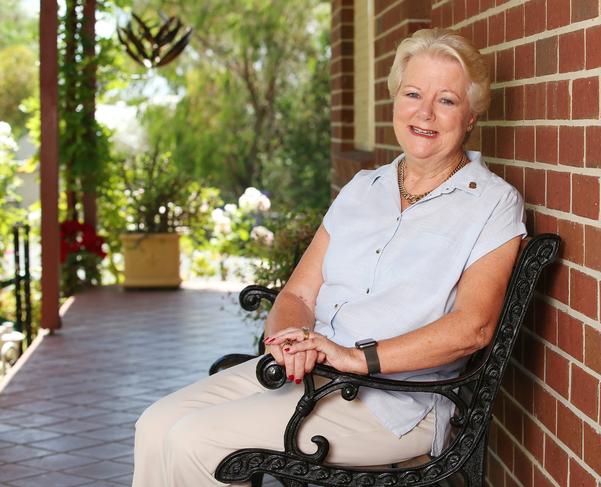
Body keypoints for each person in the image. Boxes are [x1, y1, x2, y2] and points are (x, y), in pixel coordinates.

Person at [132, 28, 526, 487]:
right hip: (314, 377)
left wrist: (355, 359)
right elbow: (299, 291)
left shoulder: (492, 203)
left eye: (447, 101)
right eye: (413, 93)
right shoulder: (364, 188)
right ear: (394, 101)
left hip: (396, 403)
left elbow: (472, 327)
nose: (424, 113)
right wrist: (285, 339)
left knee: (195, 440)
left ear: (472, 115)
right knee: (156, 425)